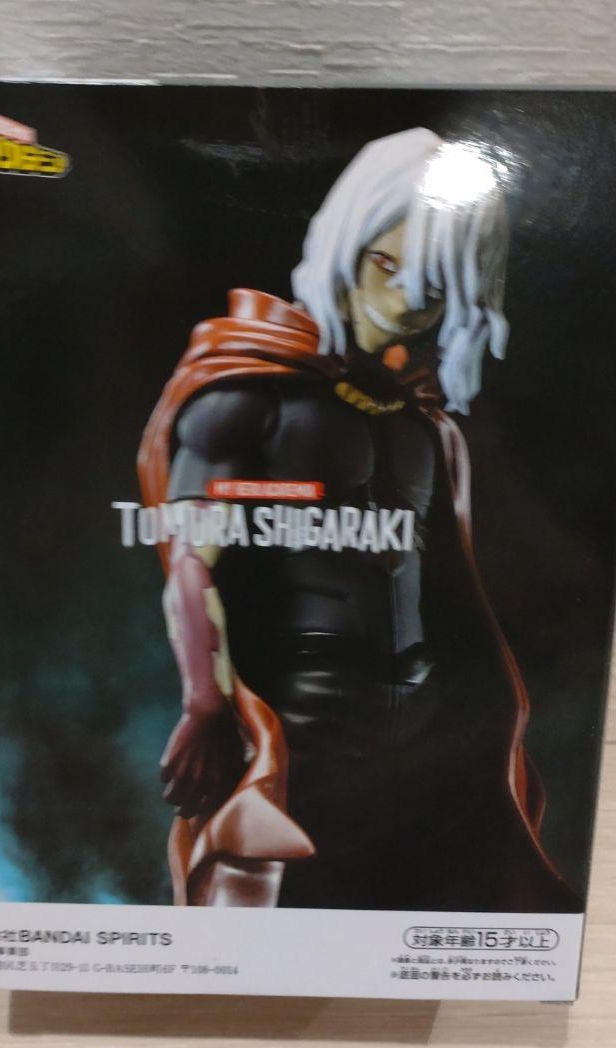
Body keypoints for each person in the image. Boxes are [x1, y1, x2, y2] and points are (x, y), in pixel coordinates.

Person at [138, 128, 578, 912]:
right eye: (387, 265)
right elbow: (190, 564)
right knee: (280, 907)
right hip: (305, 721)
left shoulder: (425, 427)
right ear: (349, 245)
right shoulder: (248, 395)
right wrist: (205, 702)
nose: (404, 300)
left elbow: (453, 589)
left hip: (426, 726)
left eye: (432, 288)